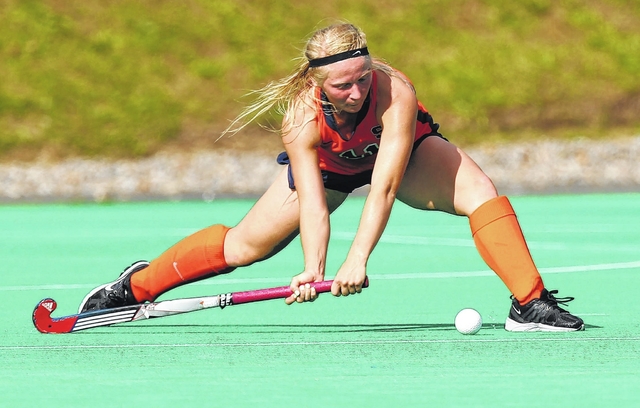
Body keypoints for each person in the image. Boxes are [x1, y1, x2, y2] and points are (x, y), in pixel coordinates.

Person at [79, 22, 584, 332]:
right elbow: (314, 204)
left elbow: (383, 187)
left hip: (402, 158)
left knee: (480, 191)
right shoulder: (300, 116)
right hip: (329, 171)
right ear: (316, 82)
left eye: (364, 77)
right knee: (243, 248)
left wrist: (357, 259)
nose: (358, 91)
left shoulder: (395, 92)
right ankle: (135, 287)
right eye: (344, 85)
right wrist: (315, 269)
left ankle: (531, 304)